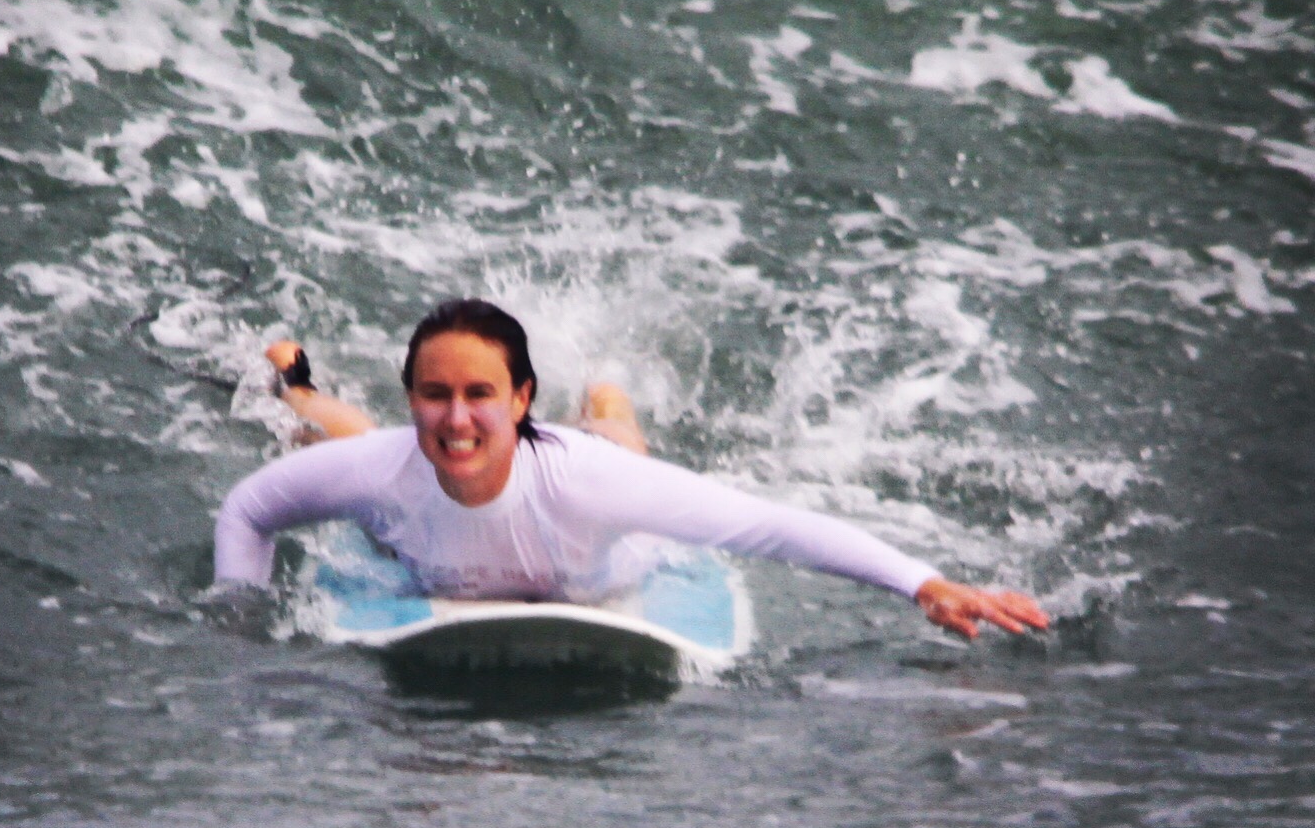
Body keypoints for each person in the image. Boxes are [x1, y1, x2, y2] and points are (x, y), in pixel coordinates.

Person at [214, 298, 1049, 641]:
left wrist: (922, 584)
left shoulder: (589, 483)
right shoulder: (386, 464)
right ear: (413, 396)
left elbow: (766, 526)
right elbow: (249, 511)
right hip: (407, 513)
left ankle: (606, 389)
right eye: (434, 394)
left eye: (481, 394)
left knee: (617, 439)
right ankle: (297, 383)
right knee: (336, 441)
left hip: (599, 513)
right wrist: (239, 614)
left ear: (522, 398)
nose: (457, 415)